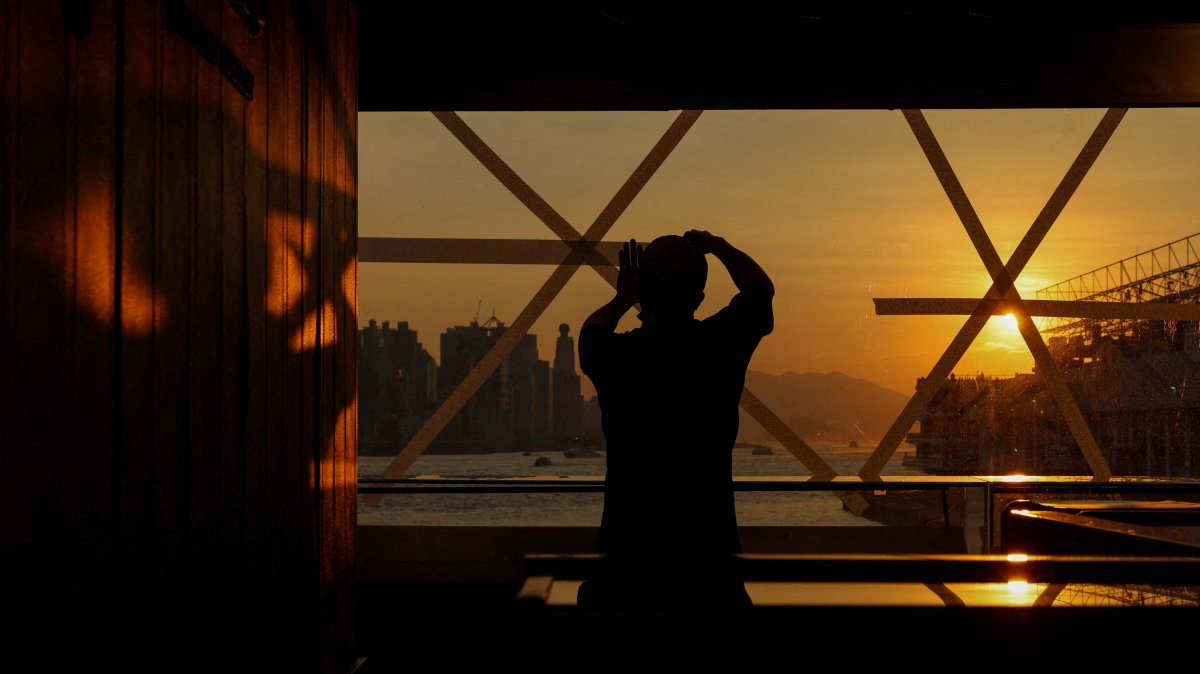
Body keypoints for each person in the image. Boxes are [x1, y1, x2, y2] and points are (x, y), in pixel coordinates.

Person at [575, 230, 774, 611]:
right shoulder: (719, 346)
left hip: (626, 571)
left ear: (642, 295)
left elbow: (592, 330)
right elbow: (759, 290)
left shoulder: (616, 357)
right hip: (711, 572)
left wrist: (621, 298)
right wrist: (717, 246)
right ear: (698, 298)